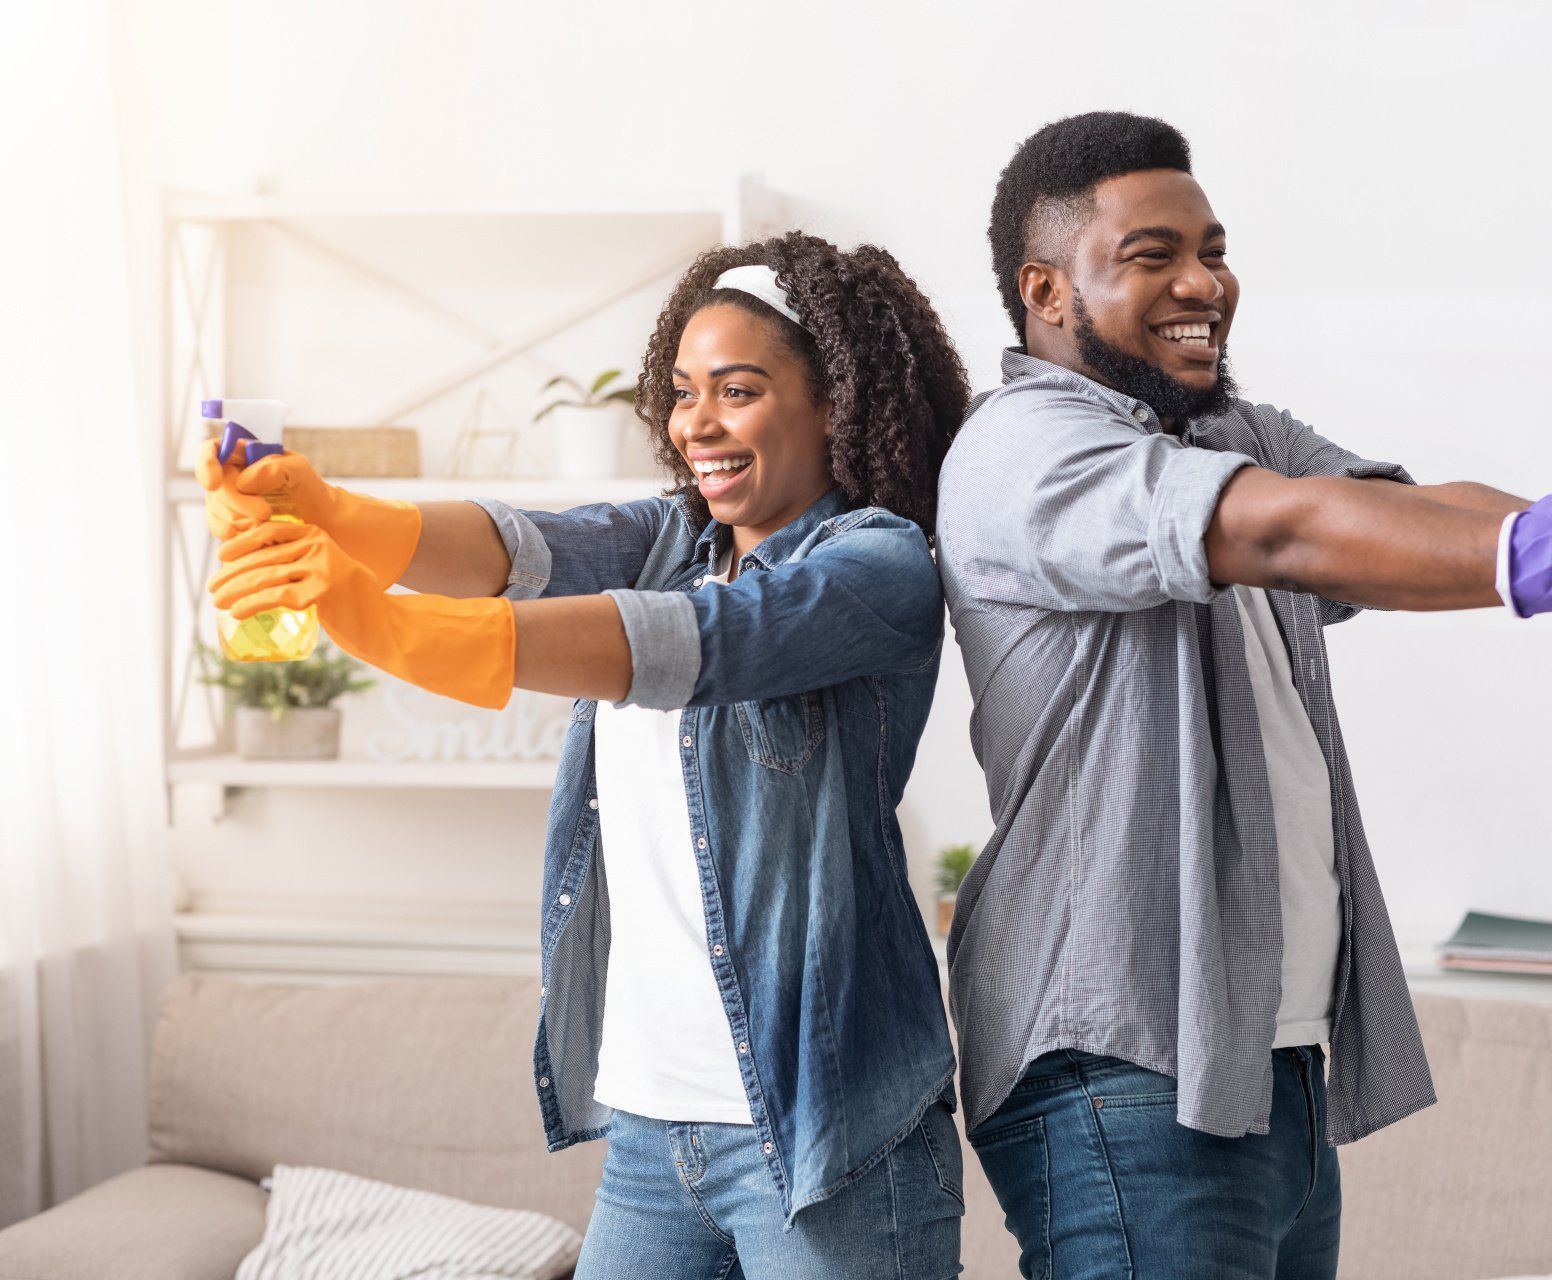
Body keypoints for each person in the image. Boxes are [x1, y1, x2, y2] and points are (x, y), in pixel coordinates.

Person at [935, 111, 1552, 1280]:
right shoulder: (1024, 449)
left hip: (1264, 1060)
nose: (1206, 281)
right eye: (1154, 255)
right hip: (1122, 1065)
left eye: (1214, 246)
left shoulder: (1222, 428)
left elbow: (1406, 508)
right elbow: (1287, 531)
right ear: (1046, 288)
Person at [199, 231, 974, 1279]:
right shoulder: (672, 537)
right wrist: (330, 511)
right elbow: (516, 547)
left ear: (834, 399)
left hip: (824, 1140)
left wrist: (374, 623)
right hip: (652, 1131)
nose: (697, 422)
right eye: (684, 391)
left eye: (736, 390)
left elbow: (687, 645)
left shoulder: (876, 564)